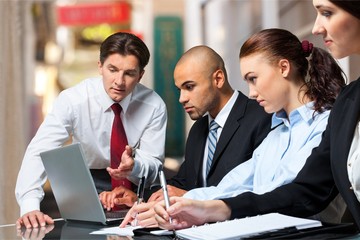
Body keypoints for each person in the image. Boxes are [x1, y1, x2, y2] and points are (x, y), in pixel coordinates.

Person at [154, 25, 350, 230]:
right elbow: (236, 183)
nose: (252, 93)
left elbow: (287, 195)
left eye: (253, 79)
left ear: (283, 68)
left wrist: (213, 208)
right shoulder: (278, 132)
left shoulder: (327, 125)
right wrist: (175, 204)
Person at [100, 45, 272, 227]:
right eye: (180, 89)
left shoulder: (261, 118)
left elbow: (258, 189)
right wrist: (140, 199)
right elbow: (181, 183)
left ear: (218, 79)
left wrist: (188, 195)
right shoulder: (199, 129)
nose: (182, 98)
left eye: (189, 87)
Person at [15, 32, 167, 229]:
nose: (119, 82)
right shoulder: (73, 100)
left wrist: (134, 166)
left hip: (138, 186)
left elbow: (154, 164)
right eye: (112, 69)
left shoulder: (154, 106)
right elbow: (40, 150)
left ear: (140, 75)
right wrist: (29, 207)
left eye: (129, 73)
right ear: (100, 66)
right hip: (89, 183)